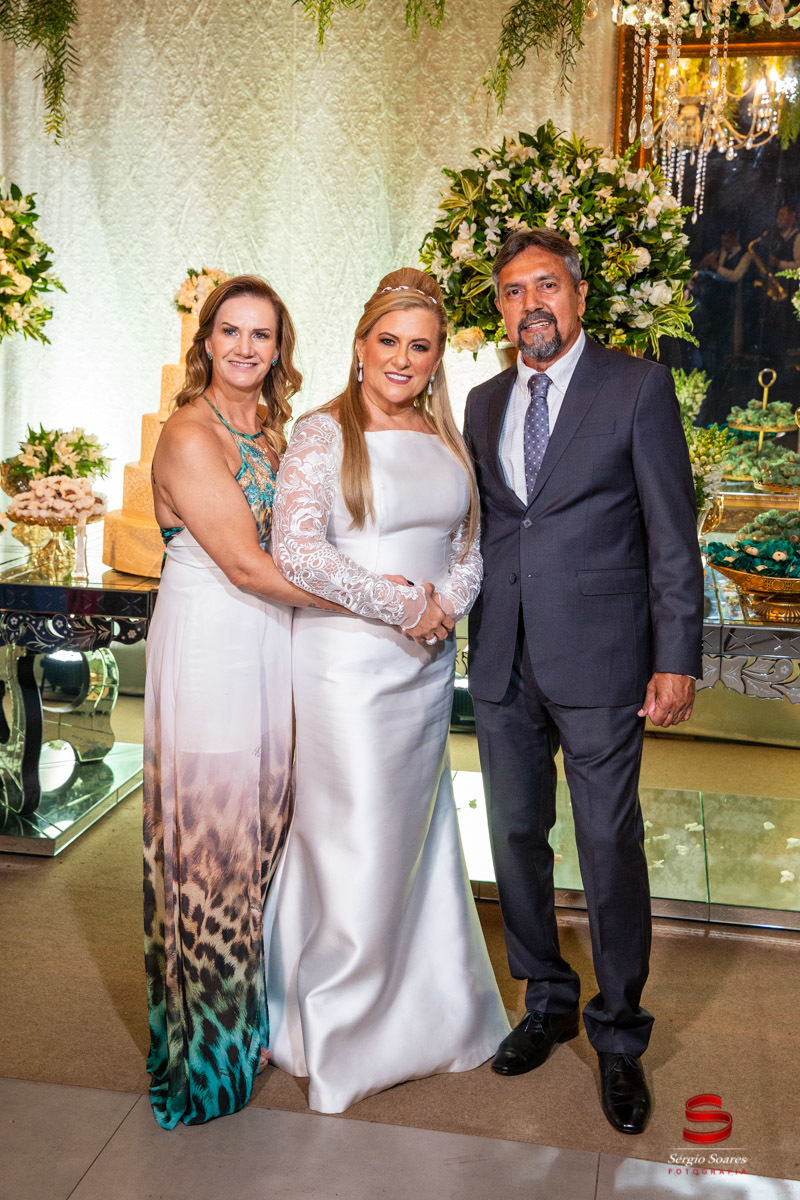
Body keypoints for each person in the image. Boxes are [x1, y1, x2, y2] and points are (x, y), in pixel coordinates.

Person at [463, 229, 703, 1136]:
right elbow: (489, 527)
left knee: (607, 842)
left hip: (603, 658)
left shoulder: (637, 387)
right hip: (503, 656)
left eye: (547, 286)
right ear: (501, 308)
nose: (532, 304)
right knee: (515, 833)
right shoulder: (483, 401)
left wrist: (675, 657)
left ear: (580, 294)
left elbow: (672, 534)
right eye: (514, 291)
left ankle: (619, 1032)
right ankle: (548, 999)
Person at [262, 267, 510, 1115]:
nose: (403, 359)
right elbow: (299, 552)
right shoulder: (322, 432)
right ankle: (339, 1028)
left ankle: (425, 1011)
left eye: (421, 346)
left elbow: (471, 546)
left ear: (438, 358)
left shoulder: (447, 438)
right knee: (356, 835)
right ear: (361, 346)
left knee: (414, 832)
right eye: (390, 342)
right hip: (347, 664)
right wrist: (403, 605)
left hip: (425, 665)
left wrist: (446, 605)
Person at [144, 275, 337, 1129]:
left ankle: (249, 1026)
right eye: (231, 331)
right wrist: (374, 603)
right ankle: (207, 1058)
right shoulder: (190, 434)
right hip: (212, 646)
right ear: (207, 341)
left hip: (269, 644)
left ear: (279, 348)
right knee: (211, 852)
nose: (246, 348)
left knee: (261, 838)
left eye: (262, 334)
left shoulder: (273, 429)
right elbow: (251, 567)